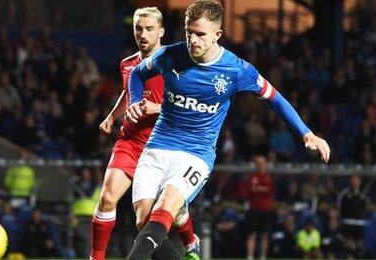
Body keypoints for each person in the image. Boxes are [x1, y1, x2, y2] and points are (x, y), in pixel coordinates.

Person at [124, 1, 330, 259]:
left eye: (200, 34)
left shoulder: (236, 70)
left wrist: (306, 133)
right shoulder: (171, 55)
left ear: (217, 35)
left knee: (164, 209)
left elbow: (274, 97)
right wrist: (133, 102)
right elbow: (136, 74)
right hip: (158, 145)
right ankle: (188, 235)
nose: (193, 40)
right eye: (189, 32)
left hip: (196, 154)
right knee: (143, 220)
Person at [91, 7, 199, 260]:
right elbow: (129, 91)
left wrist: (156, 107)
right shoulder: (128, 64)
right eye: (138, 29)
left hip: (163, 144)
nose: (143, 34)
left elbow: (192, 103)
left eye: (149, 29)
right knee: (107, 198)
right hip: (130, 141)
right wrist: (112, 116)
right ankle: (96, 257)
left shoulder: (177, 64)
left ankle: (189, 242)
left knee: (149, 220)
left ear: (161, 31)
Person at [244, 156, 275, 260]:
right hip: (254, 209)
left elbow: (270, 189)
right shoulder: (253, 176)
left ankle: (263, 256)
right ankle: (250, 256)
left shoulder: (269, 177)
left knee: (264, 234)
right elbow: (252, 189)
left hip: (266, 209)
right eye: (259, 163)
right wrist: (262, 189)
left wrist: (259, 188)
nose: (261, 165)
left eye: (263, 162)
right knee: (252, 233)